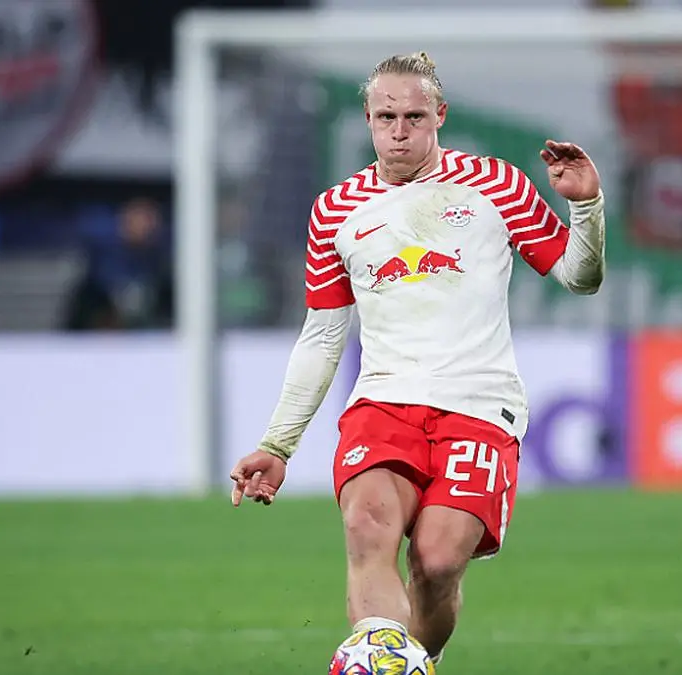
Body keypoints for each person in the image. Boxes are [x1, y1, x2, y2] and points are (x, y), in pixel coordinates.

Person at [228, 51, 606, 668]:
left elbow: (578, 276)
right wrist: (278, 444)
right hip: (383, 403)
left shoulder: (497, 184)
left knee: (436, 563)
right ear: (368, 120)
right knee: (367, 529)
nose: (399, 131)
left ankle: (412, 661)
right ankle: (384, 658)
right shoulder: (335, 210)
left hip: (480, 408)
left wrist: (585, 207)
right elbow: (322, 336)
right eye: (386, 117)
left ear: (440, 115)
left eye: (413, 117)